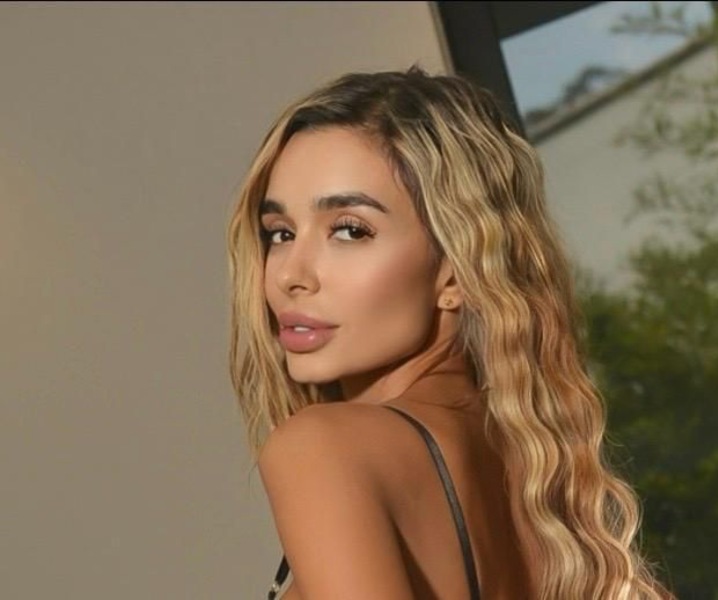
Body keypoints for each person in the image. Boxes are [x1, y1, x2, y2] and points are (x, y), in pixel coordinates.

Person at [227, 66, 671, 599]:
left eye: (349, 230)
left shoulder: (323, 448)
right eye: (280, 233)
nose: (289, 275)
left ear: (457, 270)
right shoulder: (537, 474)